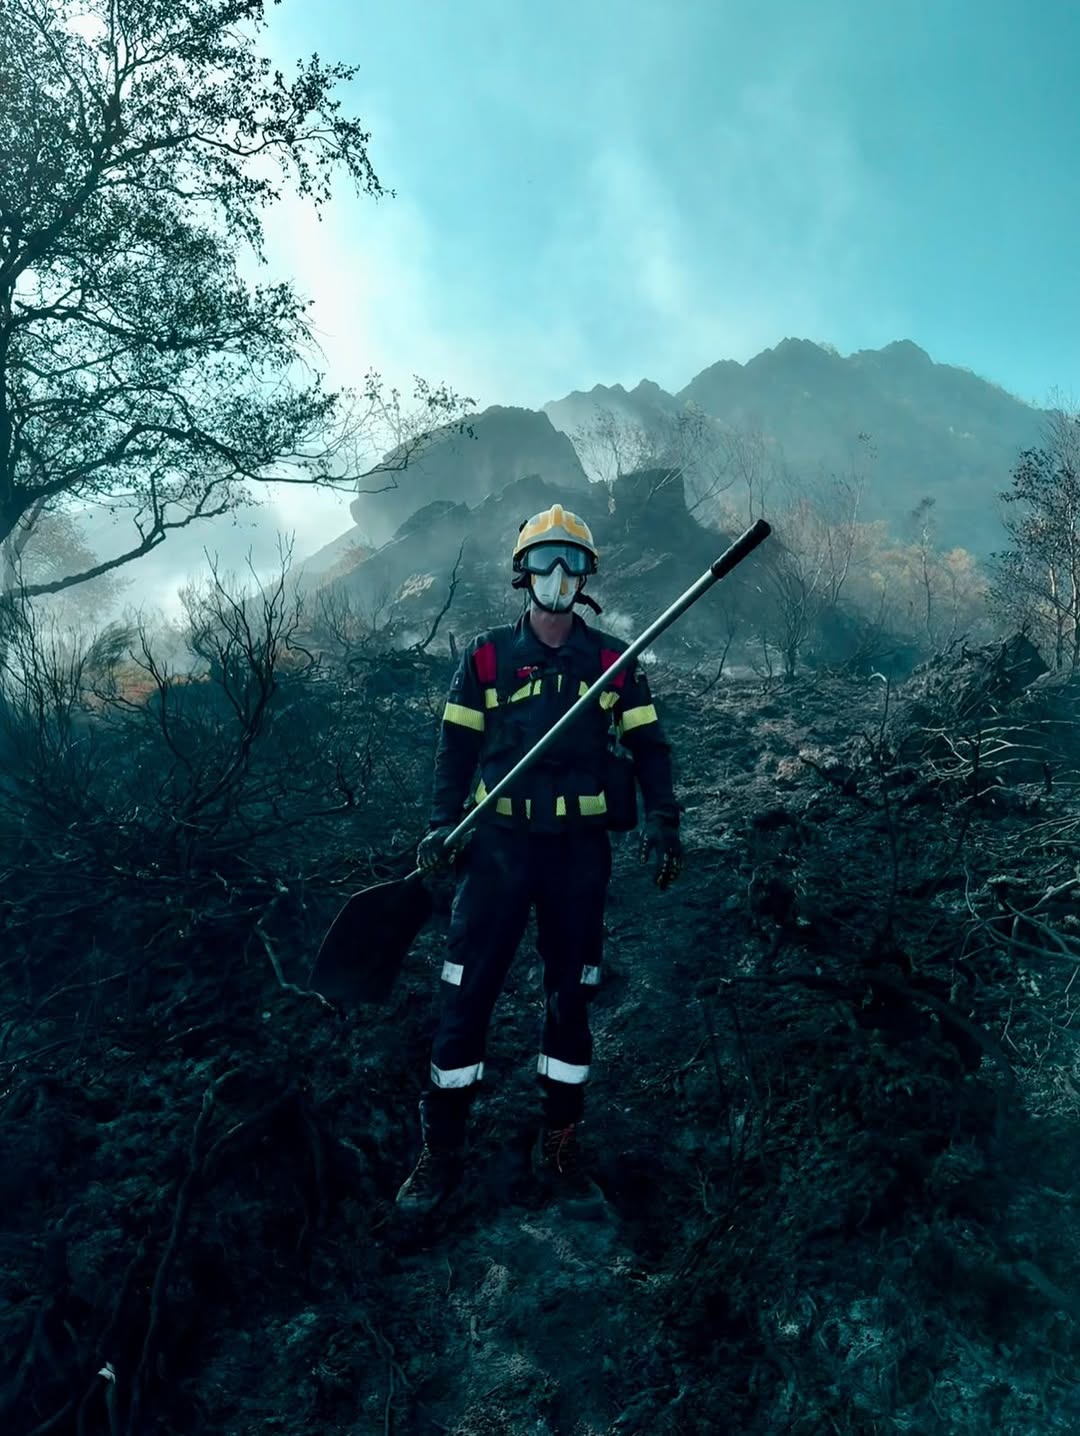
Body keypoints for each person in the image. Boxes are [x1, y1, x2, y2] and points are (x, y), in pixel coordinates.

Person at [396, 504, 682, 1215]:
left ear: (587, 576)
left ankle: (559, 1138)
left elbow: (650, 748)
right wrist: (442, 825)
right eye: (547, 560)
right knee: (465, 995)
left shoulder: (615, 660)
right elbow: (455, 751)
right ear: (522, 572)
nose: (559, 576)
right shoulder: (486, 657)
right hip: (496, 852)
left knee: (570, 998)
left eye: (574, 562)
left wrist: (663, 823)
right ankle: (443, 1148)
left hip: (578, 859)